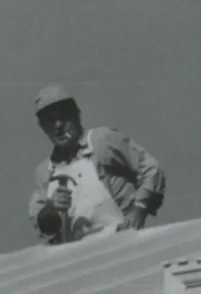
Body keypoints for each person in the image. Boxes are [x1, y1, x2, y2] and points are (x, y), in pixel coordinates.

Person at [28, 84, 166, 244]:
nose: (58, 126)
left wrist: (139, 208)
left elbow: (150, 168)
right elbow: (41, 224)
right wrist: (50, 211)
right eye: (51, 121)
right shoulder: (45, 172)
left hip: (121, 243)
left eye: (63, 116)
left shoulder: (102, 141)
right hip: (76, 258)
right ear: (43, 127)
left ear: (76, 115)